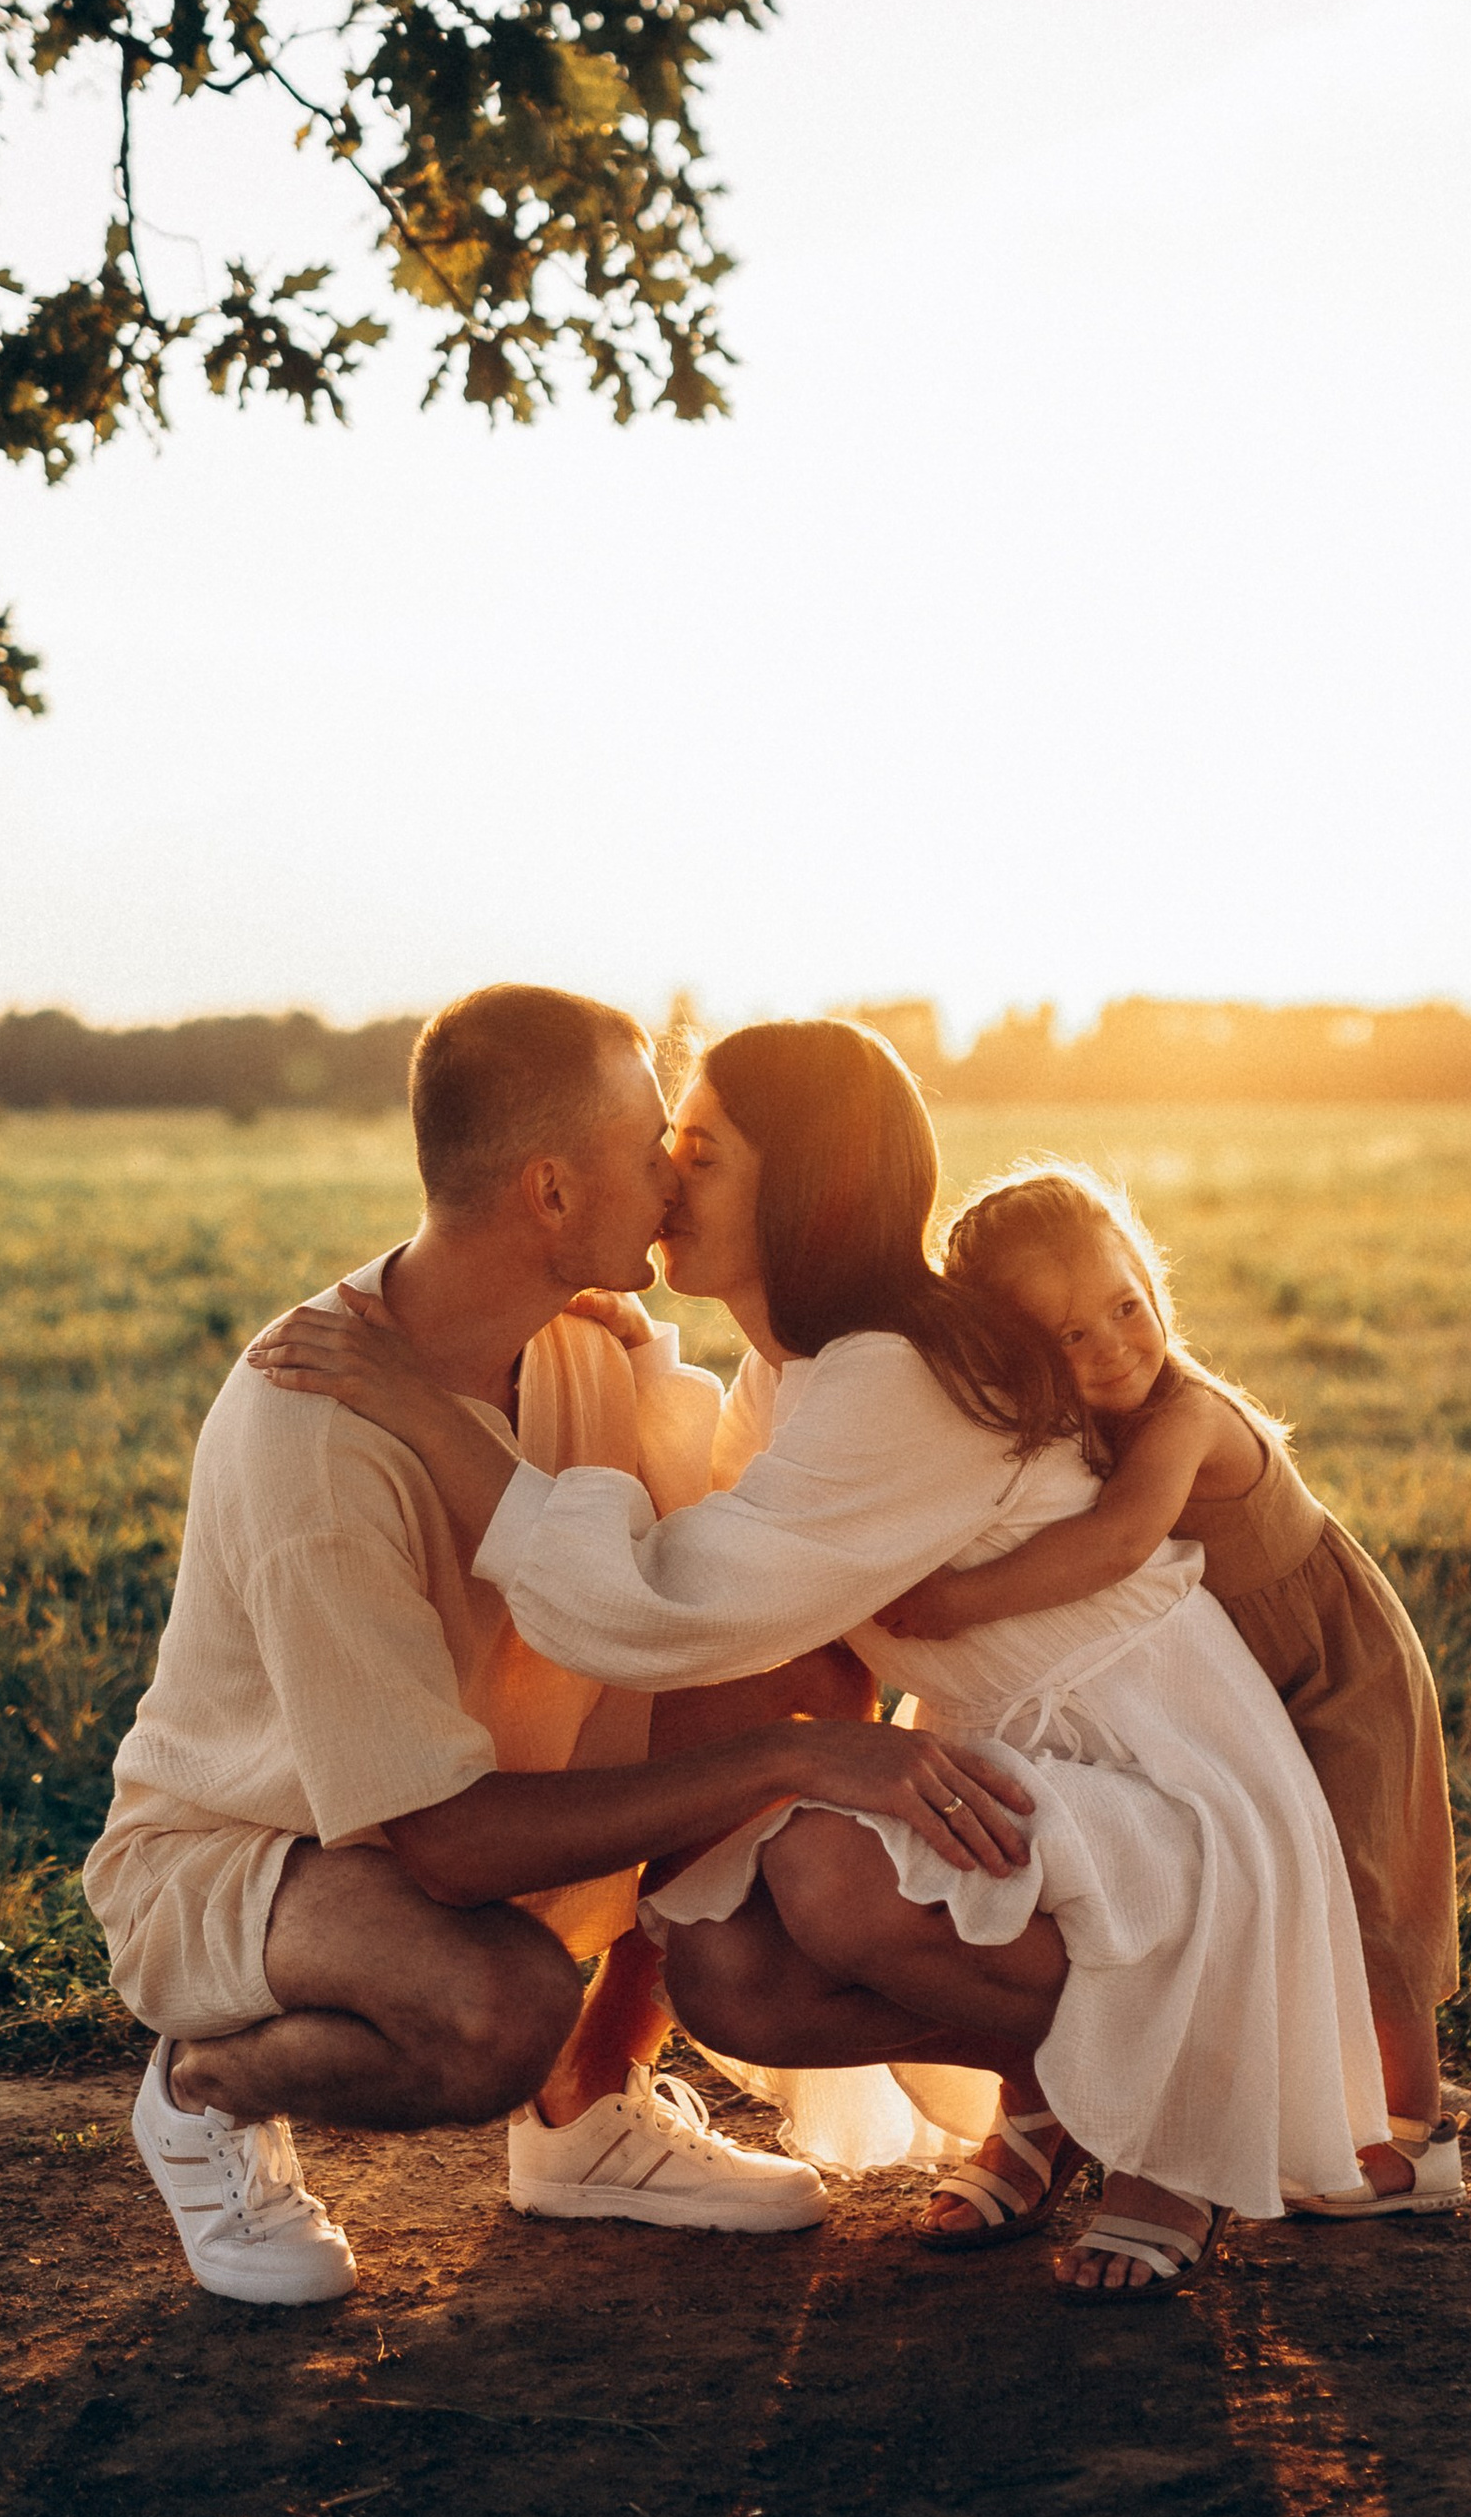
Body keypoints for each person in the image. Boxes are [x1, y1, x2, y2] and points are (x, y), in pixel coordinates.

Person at [249, 1019, 1390, 2299]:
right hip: (1015, 1741)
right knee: (734, 1978)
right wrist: (624, 1351)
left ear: (804, 1186)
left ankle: (1180, 2112)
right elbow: (743, 1571)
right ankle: (1064, 2083)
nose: (668, 1176)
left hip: (1148, 1754)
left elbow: (661, 1599)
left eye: (701, 1148)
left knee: (827, 1869)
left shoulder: (901, 1373)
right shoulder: (789, 1376)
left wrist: (421, 1404)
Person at [85, 985, 1034, 2306]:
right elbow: (444, 1844)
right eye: (653, 1146)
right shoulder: (315, 1430)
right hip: (264, 1857)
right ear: (547, 1192)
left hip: (471, 1801)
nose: (671, 1176)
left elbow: (702, 1596)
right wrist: (792, 1765)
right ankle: (204, 2088)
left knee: (803, 1664)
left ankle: (586, 2115)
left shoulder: (580, 1346)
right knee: (497, 2010)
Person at [881, 1163, 1464, 2218]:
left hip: (1332, 1664)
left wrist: (961, 1600)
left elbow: (1117, 1540)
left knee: (1366, 1886)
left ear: (1151, 1283)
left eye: (1124, 1305)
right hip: (1228, 1680)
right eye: (1067, 1335)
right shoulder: (1060, 1428)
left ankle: (1411, 2128)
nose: (1111, 1344)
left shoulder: (1185, 1413)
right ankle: (1079, 2100)